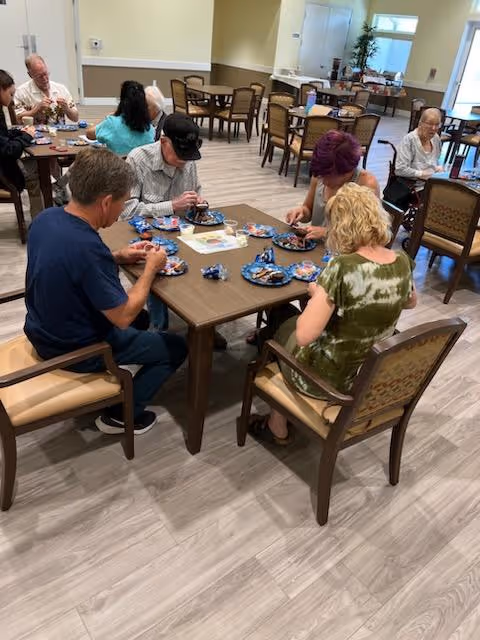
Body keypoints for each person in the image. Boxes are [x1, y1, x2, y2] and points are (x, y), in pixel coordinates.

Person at [24, 147, 187, 435]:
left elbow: (68, 263)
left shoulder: (46, 219)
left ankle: (123, 371)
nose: (122, 209)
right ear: (106, 202)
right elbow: (122, 316)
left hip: (41, 328)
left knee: (143, 321)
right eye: (122, 203)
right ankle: (123, 415)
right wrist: (151, 268)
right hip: (74, 348)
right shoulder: (87, 247)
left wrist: (116, 256)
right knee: (176, 347)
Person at [249, 183, 416, 445]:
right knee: (288, 321)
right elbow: (410, 303)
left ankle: (276, 423)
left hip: (327, 380)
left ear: (340, 225)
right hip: (368, 374)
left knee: (280, 322)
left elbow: (305, 336)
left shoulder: (343, 267)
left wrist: (318, 295)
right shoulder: (402, 261)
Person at [286, 130, 380, 241]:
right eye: (321, 175)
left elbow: (368, 235)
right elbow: (308, 210)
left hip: (344, 254)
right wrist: (301, 211)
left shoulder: (366, 184)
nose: (323, 181)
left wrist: (327, 232)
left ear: (347, 171)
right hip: (315, 248)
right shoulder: (321, 173)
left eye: (328, 176)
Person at [122, 112, 204, 219]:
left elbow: (196, 195)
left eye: (188, 155)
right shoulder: (138, 160)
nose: (184, 161)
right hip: (146, 232)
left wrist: (198, 203)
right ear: (163, 141)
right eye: (179, 154)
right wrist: (172, 206)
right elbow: (126, 211)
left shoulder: (188, 161)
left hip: (181, 231)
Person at [0, 69, 44, 217]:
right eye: (10, 94)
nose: (12, 99)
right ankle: (39, 221)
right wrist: (25, 136)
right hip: (3, 174)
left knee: (34, 165)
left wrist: (19, 132)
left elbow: (3, 137)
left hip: (4, 165)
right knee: (36, 172)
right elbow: (9, 150)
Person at [86, 80, 154, 155]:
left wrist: (109, 117)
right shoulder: (150, 129)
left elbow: (89, 134)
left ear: (122, 101)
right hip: (141, 166)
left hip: (116, 166)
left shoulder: (112, 123)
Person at [14, 54, 78, 124]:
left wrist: (67, 109)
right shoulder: (21, 92)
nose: (45, 79)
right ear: (30, 75)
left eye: (46, 74)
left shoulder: (61, 89)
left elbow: (75, 118)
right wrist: (36, 110)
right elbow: (18, 120)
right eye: (40, 76)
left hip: (59, 133)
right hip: (34, 133)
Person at [395, 107, 443, 185]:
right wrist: (421, 174)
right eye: (430, 124)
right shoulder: (409, 140)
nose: (433, 128)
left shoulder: (436, 138)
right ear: (420, 123)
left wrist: (437, 168)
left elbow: (435, 160)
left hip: (430, 184)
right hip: (411, 186)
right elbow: (400, 169)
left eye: (437, 124)